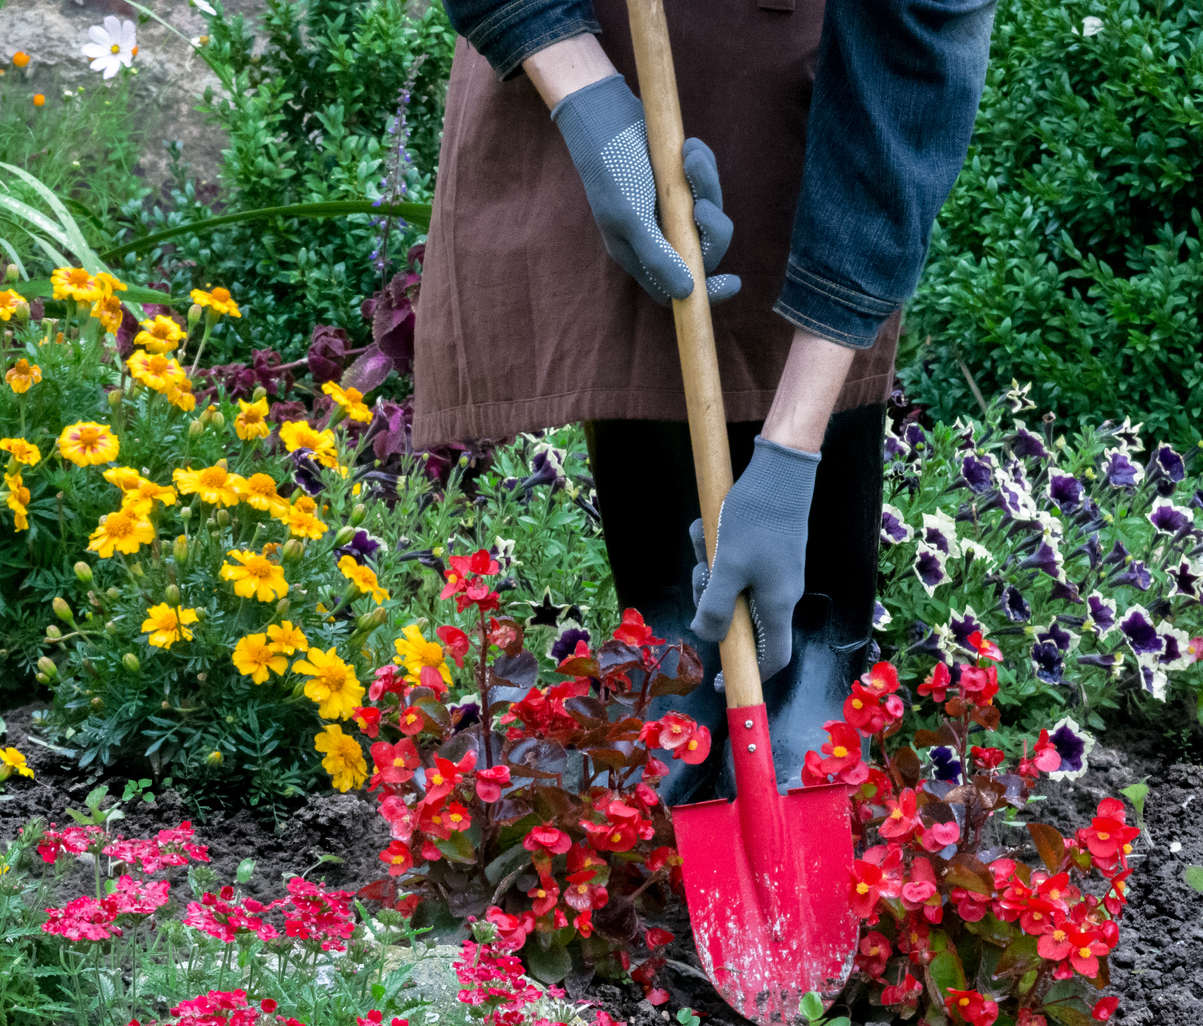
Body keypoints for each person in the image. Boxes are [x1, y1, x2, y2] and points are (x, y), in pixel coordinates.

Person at [418, 0, 997, 801]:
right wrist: (578, 87)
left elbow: (908, 75)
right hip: (588, 21)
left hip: (776, 45)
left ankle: (811, 676)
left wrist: (790, 456)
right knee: (636, 292)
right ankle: (672, 662)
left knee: (774, 152)